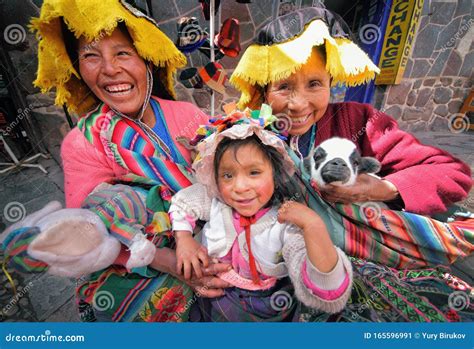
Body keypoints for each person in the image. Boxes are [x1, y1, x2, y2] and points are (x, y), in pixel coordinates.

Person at [228, 6, 474, 321]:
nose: (299, 103)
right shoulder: (248, 137)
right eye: (284, 86)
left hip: (370, 262)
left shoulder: (358, 119)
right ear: (264, 90)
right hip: (296, 271)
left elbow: (450, 175)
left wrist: (384, 188)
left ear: (331, 81)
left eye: (314, 84)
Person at [19, 0, 231, 322]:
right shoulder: (83, 143)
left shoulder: (186, 114)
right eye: (91, 55)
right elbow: (93, 233)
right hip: (154, 273)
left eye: (122, 52)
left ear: (145, 58)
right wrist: (167, 260)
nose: (109, 68)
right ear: (78, 68)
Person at [169, 113, 353, 321]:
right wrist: (184, 239)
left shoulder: (284, 223)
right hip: (213, 302)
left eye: (254, 172)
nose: (239, 187)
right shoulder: (215, 201)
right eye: (228, 175)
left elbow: (327, 290)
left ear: (274, 174)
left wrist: (313, 226)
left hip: (267, 307)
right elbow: (183, 203)